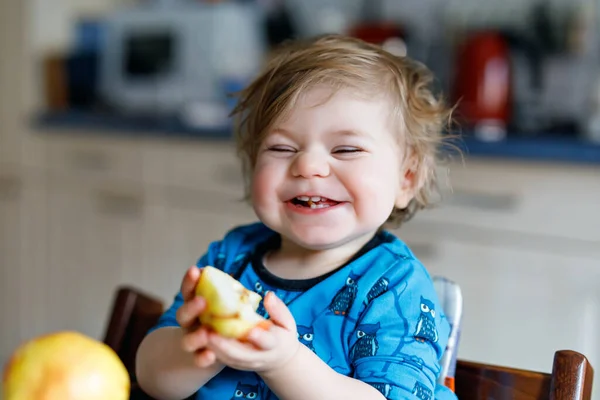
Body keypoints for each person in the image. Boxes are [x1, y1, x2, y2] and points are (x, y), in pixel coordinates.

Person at [135, 34, 458, 400]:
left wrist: (283, 363)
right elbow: (151, 377)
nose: (308, 165)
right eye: (282, 147)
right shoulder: (230, 257)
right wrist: (203, 348)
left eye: (346, 148)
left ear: (407, 179)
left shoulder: (395, 286)